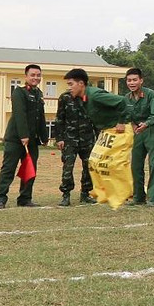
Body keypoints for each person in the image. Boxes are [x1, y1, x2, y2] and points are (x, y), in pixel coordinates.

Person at [0, 64, 47, 208]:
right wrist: (24, 135)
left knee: (29, 169)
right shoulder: (19, 92)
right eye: (32, 75)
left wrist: (44, 137)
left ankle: (25, 198)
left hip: (32, 141)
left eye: (38, 75)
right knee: (8, 169)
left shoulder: (39, 94)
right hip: (16, 139)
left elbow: (40, 117)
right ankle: (1, 198)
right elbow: (20, 114)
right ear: (26, 76)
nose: (35, 78)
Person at [54, 72, 97, 206]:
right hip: (69, 139)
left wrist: (99, 137)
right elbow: (59, 119)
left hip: (88, 138)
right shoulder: (64, 98)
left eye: (71, 84)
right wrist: (59, 138)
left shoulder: (91, 98)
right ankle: (66, 195)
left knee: (89, 167)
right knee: (68, 167)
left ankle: (85, 193)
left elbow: (97, 119)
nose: (69, 87)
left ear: (81, 83)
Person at [125, 67, 154, 206]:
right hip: (137, 133)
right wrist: (134, 125)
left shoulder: (150, 94)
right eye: (129, 80)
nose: (132, 83)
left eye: (135, 80)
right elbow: (127, 115)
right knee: (136, 165)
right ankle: (138, 197)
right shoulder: (127, 98)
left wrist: (145, 124)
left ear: (141, 80)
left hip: (152, 131)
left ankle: (152, 198)